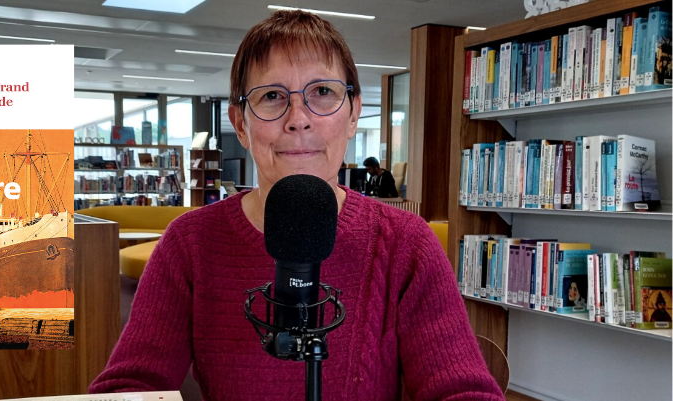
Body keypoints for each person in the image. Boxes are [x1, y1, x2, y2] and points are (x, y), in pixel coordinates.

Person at [90, 10, 504, 400]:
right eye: (272, 96)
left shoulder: (405, 242)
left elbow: (461, 390)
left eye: (322, 92)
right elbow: (131, 385)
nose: (298, 118)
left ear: (354, 113)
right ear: (240, 124)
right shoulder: (190, 242)